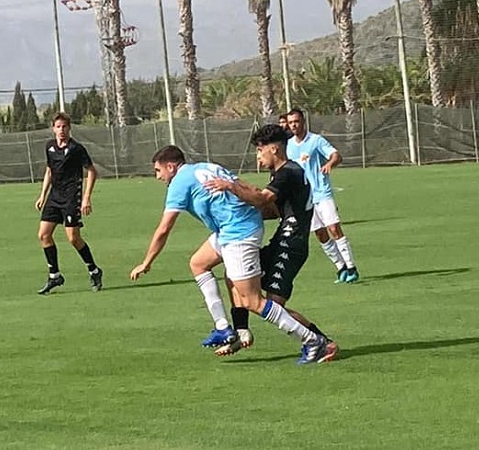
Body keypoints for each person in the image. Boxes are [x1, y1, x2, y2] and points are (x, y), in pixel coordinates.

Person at [130, 145, 330, 364]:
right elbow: (241, 185)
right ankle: (225, 329)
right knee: (198, 263)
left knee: (253, 301)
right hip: (232, 228)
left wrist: (146, 262)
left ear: (171, 166)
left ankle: (312, 340)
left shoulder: (179, 182)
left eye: (158, 171)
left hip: (238, 233)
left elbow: (164, 228)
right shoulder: (207, 166)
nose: (158, 177)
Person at [204, 124, 338, 362]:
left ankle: (321, 342)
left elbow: (263, 199)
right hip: (282, 241)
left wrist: (231, 187)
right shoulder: (283, 173)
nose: (258, 156)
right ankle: (241, 332)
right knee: (235, 276)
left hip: (291, 247)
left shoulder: (288, 172)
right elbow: (273, 209)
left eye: (260, 150)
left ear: (274, 149)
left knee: (274, 307)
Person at [286, 108, 359, 284]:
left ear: (303, 121)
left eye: (296, 121)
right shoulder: (288, 146)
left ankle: (351, 267)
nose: (294, 125)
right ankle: (340, 267)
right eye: (291, 122)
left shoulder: (316, 140)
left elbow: (336, 155)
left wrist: (329, 164)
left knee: (333, 228)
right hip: (304, 198)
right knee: (319, 233)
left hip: (322, 192)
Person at [36, 113, 103, 295]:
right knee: (43, 235)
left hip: (71, 198)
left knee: (73, 238)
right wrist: (42, 195)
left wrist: (86, 198)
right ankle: (54, 275)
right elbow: (49, 170)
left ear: (69, 128)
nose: (61, 130)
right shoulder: (49, 147)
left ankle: (94, 270)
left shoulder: (76, 149)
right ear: (53, 128)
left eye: (64, 127)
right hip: (54, 197)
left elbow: (92, 172)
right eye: (58, 127)